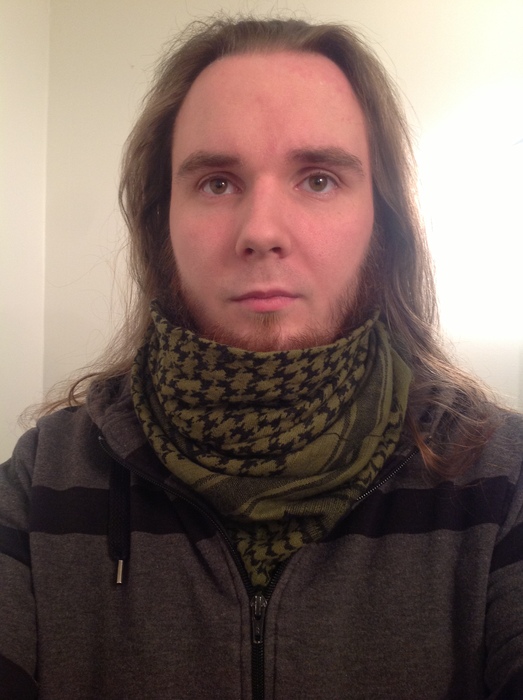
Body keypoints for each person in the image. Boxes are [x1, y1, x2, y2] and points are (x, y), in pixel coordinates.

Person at [1, 15, 522, 700]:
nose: (262, 231)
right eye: (217, 183)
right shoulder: (44, 480)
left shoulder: (501, 478)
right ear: (161, 224)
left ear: (383, 221)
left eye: (318, 180)